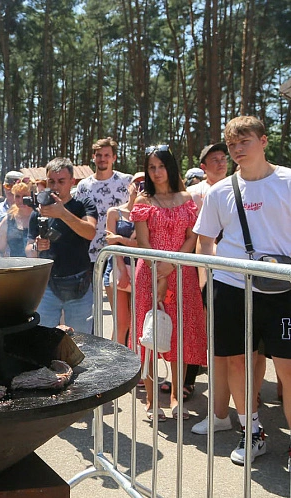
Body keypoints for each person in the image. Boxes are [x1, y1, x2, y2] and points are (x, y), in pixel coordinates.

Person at [193, 116, 291, 466]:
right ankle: (252, 434)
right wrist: (211, 282)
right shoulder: (220, 191)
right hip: (232, 288)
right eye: (232, 144)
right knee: (237, 361)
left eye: (244, 141)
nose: (236, 149)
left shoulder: (288, 181)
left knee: (287, 368)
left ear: (264, 141)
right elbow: (205, 240)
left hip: (284, 288)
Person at [130, 145, 206, 422]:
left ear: (170, 167)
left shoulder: (186, 198)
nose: (157, 172)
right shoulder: (144, 200)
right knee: (149, 334)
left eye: (161, 166)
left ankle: (176, 397)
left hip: (182, 272)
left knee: (180, 336)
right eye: (152, 167)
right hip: (149, 271)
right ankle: (152, 402)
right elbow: (142, 241)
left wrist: (171, 265)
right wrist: (158, 271)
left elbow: (191, 237)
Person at [25, 158, 97, 333]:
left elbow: (90, 232)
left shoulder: (83, 205)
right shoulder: (39, 212)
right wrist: (36, 246)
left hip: (79, 284)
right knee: (42, 338)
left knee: (82, 342)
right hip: (47, 286)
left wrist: (62, 213)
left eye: (61, 181)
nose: (55, 186)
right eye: (51, 181)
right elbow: (28, 250)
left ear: (72, 182)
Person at [74, 137, 133, 265]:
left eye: (107, 155)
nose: (102, 159)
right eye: (99, 155)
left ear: (114, 158)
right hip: (90, 253)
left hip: (120, 253)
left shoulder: (126, 181)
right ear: (93, 157)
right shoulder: (83, 186)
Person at [102, 172, 143, 348]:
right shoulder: (114, 212)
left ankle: (134, 369)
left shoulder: (147, 213)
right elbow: (110, 244)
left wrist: (120, 238)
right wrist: (122, 270)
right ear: (129, 185)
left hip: (140, 270)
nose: (140, 186)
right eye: (137, 182)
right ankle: (114, 369)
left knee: (136, 324)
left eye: (145, 183)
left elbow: (141, 244)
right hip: (117, 270)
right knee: (121, 323)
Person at [0, 181, 34, 257]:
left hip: (39, 266)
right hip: (16, 266)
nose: (21, 200)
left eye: (24, 196)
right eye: (17, 196)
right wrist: (0, 265)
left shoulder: (40, 217)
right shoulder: (9, 219)